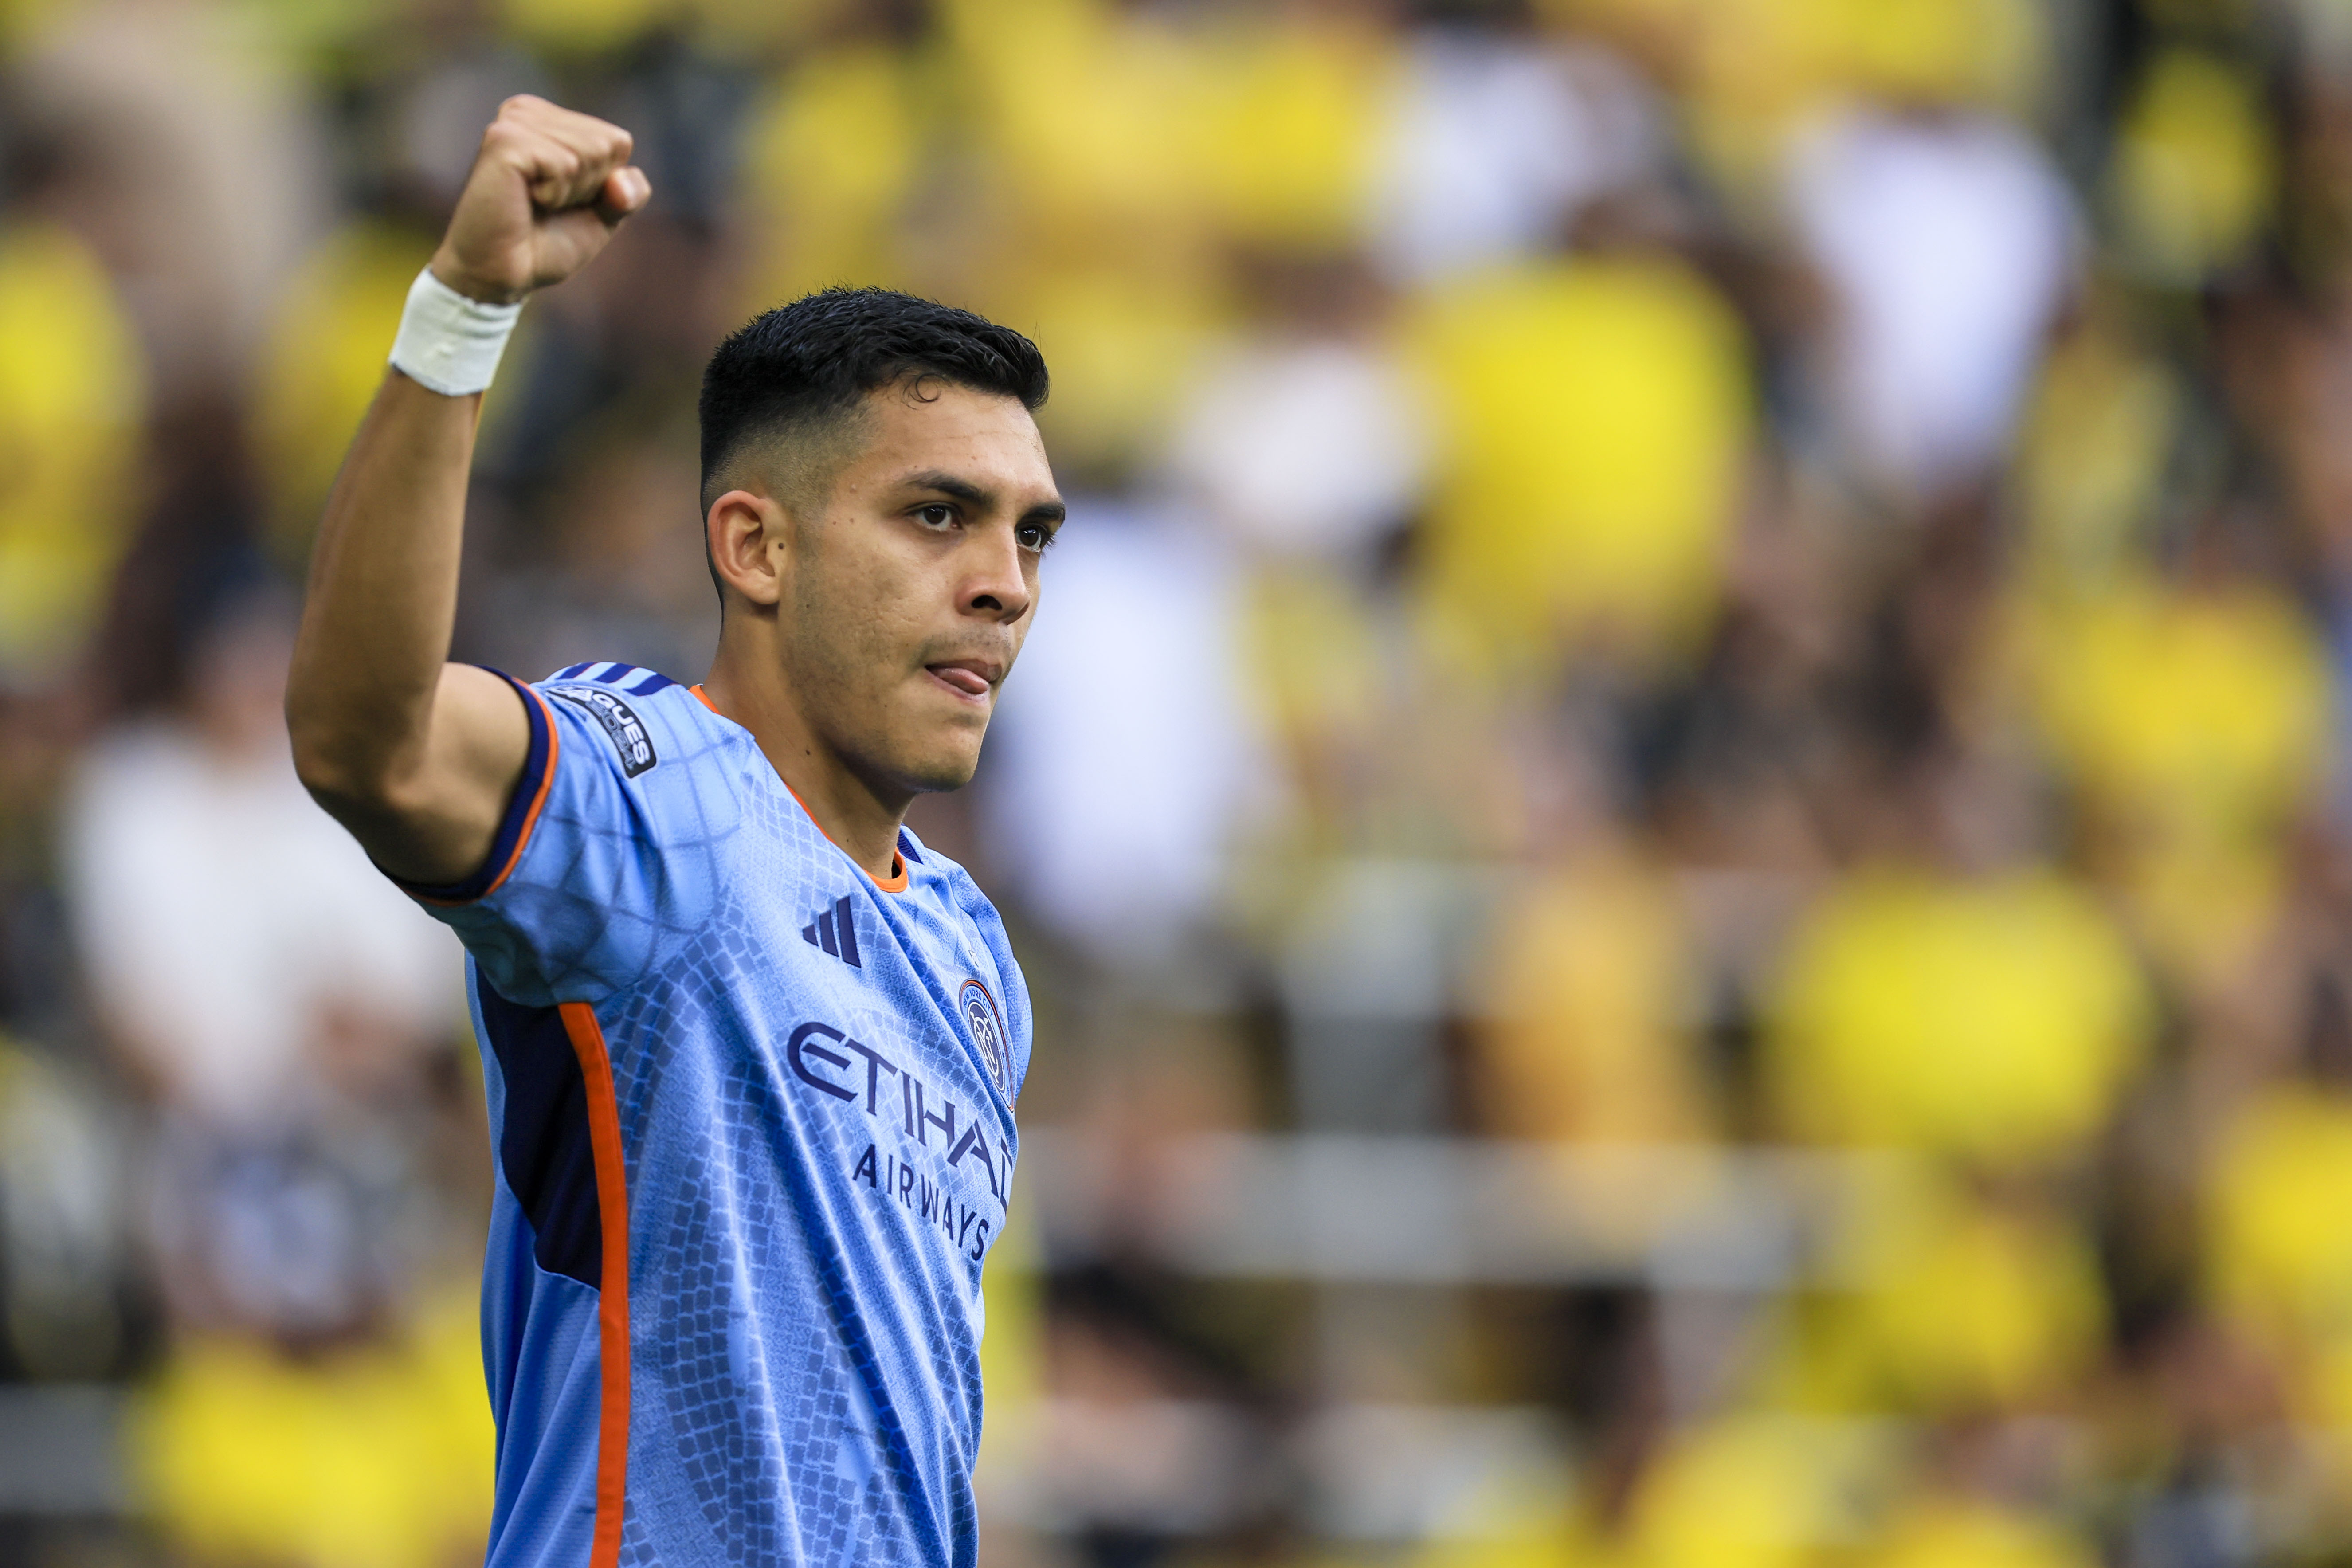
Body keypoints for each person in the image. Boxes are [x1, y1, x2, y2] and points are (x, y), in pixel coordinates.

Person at [283, 95, 1062, 1568]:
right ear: (754, 545)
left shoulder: (974, 960)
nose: (1007, 582)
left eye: (1031, 533)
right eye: (940, 516)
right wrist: (463, 313)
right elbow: (364, 740)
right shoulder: (663, 800)